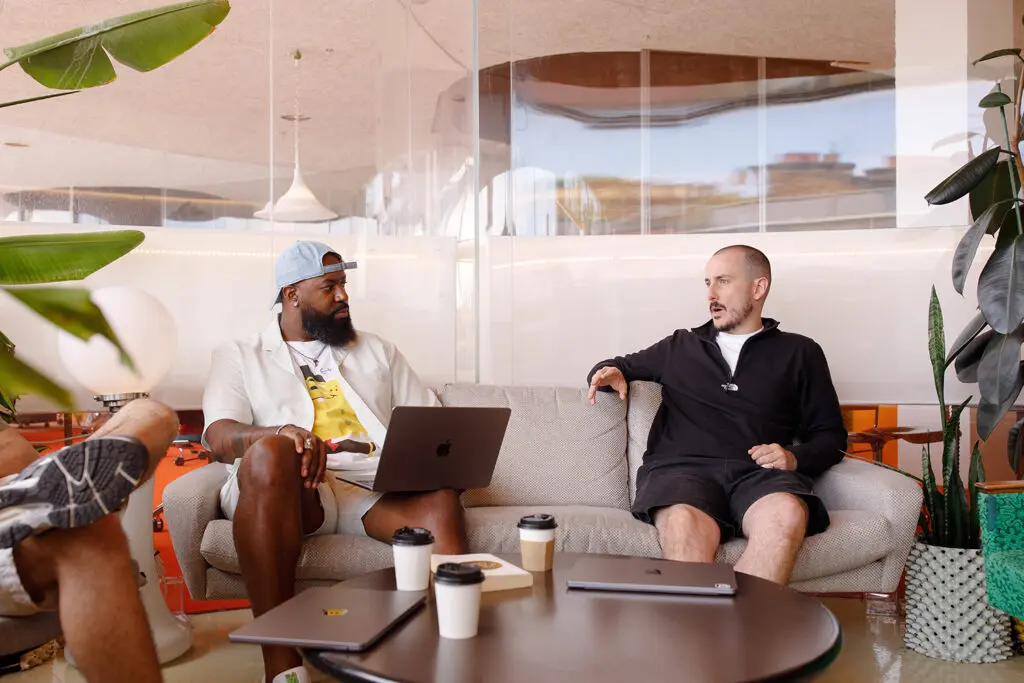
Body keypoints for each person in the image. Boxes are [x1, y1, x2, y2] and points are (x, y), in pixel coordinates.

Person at [203, 240, 467, 683]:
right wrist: (279, 434)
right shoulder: (239, 354)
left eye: (343, 284)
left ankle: (445, 660)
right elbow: (218, 436)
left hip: (371, 488)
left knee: (440, 502)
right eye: (330, 287)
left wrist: (448, 464)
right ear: (292, 294)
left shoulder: (378, 350)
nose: (343, 296)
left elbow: (431, 423)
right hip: (292, 489)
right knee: (271, 452)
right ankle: (282, 666)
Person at [586, 245, 847, 585]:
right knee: (683, 526)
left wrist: (793, 458)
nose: (711, 294)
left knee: (786, 515)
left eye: (723, 281)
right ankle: (707, 619)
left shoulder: (801, 353)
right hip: (682, 472)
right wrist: (609, 373)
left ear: (758, 287)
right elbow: (614, 366)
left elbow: (831, 438)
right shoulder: (679, 346)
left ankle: (745, 618)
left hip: (759, 476)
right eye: (708, 283)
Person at [0, 399, 180, 683]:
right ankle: (61, 488)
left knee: (154, 414)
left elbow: (18, 456)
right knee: (82, 532)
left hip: (22, 492)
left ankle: (60, 486)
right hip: (21, 504)